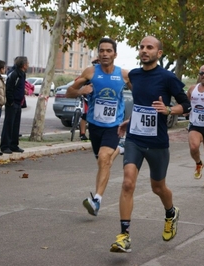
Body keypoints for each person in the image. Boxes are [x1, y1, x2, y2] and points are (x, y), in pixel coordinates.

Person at [110, 36, 191, 253]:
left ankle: (171, 212)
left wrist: (168, 110)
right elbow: (141, 104)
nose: (144, 50)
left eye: (150, 47)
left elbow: (186, 105)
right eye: (142, 47)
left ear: (159, 53)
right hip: (135, 138)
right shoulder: (135, 75)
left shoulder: (168, 78)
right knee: (128, 183)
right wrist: (130, 120)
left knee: (158, 187)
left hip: (157, 142)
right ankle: (124, 236)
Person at [65, 38, 130, 216]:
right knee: (103, 163)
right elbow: (69, 92)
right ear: (98, 53)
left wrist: (131, 119)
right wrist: (81, 91)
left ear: (115, 54)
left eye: (108, 51)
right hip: (95, 125)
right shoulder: (90, 72)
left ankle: (97, 200)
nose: (105, 54)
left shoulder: (123, 75)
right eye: (101, 50)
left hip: (114, 125)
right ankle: (120, 148)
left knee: (103, 158)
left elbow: (140, 94)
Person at [0, 56, 29, 154]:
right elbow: (9, 88)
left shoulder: (22, 74)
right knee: (9, 125)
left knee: (16, 125)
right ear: (23, 65)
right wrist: (11, 101)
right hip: (12, 103)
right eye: (27, 63)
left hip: (18, 103)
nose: (28, 65)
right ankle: (5, 146)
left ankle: (13, 145)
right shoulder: (14, 74)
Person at [79, 58, 100, 141]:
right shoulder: (89, 72)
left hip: (97, 99)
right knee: (85, 115)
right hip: (87, 97)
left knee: (95, 116)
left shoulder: (103, 73)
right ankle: (82, 134)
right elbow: (79, 81)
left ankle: (92, 134)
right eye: (96, 63)